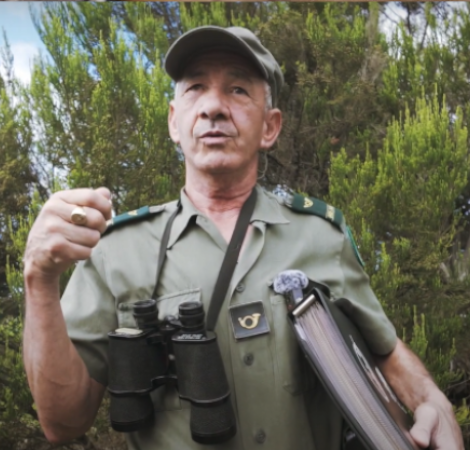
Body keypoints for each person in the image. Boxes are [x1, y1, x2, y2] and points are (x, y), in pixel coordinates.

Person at [23, 25, 463, 450]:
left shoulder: (322, 236)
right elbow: (63, 422)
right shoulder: (117, 250)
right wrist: (39, 281)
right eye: (196, 87)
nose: (213, 107)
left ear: (270, 127)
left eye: (237, 90)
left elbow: (383, 349)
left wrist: (432, 400)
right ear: (175, 122)